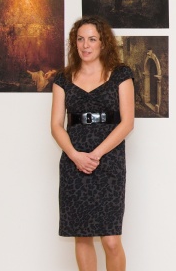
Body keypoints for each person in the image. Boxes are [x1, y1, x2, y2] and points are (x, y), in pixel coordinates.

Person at [51, 15, 134, 271]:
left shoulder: (121, 74)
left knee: (111, 240)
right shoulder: (63, 78)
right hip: (74, 164)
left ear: (103, 43)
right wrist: (76, 155)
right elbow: (56, 125)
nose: (85, 45)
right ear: (74, 43)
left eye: (92, 39)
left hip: (109, 162)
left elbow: (127, 123)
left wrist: (95, 154)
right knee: (83, 236)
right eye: (80, 39)